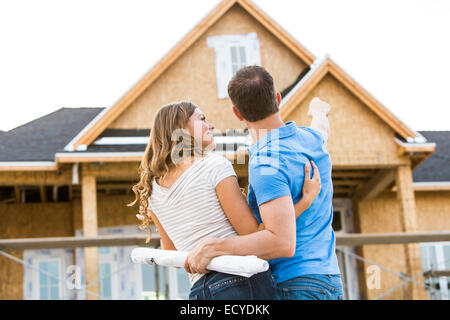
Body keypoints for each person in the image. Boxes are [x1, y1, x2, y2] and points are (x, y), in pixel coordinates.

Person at [130, 101, 321, 300]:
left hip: (199, 291)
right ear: (180, 128)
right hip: (240, 282)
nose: (211, 125)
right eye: (202, 119)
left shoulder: (153, 191)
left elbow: (173, 254)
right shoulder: (214, 166)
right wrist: (304, 201)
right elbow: (256, 235)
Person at [184, 66, 343, 300]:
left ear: (237, 113)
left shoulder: (266, 162)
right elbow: (322, 129)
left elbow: (281, 242)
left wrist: (215, 247)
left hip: (294, 284)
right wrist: (318, 112)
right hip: (330, 282)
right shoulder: (311, 139)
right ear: (277, 98)